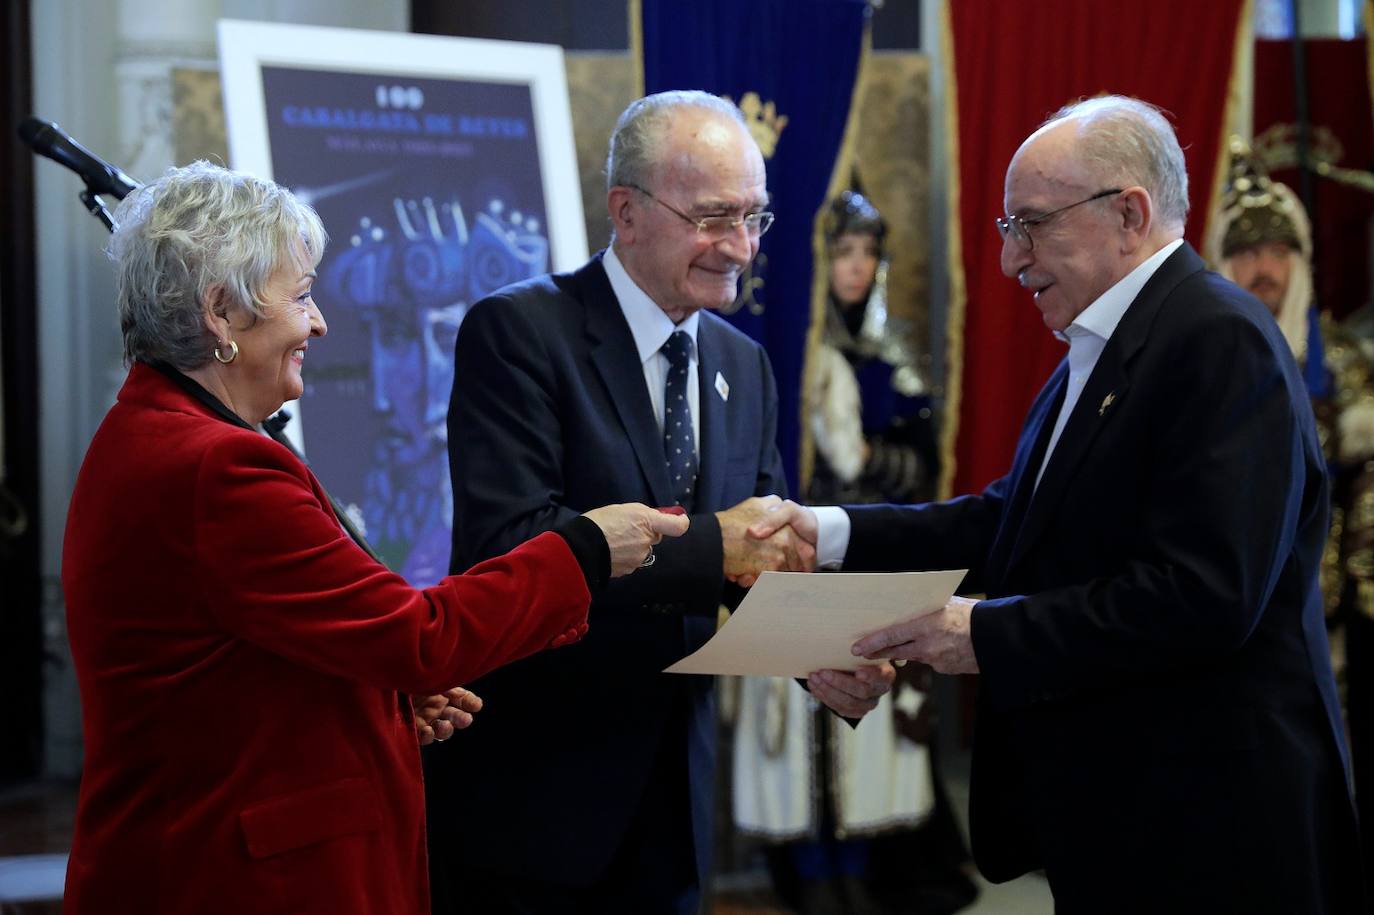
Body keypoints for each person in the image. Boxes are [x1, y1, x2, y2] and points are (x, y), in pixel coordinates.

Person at [755, 96, 1367, 913]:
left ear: (1129, 214)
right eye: (1009, 227)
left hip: (1216, 824)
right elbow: (1015, 520)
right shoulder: (1109, 340)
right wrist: (826, 532)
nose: (1011, 259)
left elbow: (1206, 597)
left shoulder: (1218, 338)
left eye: (1032, 225)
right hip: (1134, 811)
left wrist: (981, 633)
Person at [59, 161, 687, 915]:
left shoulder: (152, 432)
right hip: (232, 879)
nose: (320, 323)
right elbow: (418, 638)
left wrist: (369, 704)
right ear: (221, 312)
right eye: (301, 296)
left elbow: (229, 662)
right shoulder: (218, 470)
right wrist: (585, 550)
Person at [425, 90, 894, 913]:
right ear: (627, 212)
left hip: (677, 804)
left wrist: (826, 653)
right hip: (537, 799)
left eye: (754, 216)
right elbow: (514, 539)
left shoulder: (745, 365)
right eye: (713, 218)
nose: (741, 246)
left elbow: (758, 557)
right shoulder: (519, 332)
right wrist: (718, 544)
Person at [733, 190, 975, 915]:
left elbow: (923, 470)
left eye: (868, 252)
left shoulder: (892, 359)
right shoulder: (778, 353)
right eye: (843, 252)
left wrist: (868, 459)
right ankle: (810, 876)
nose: (857, 267)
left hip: (870, 565)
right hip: (789, 566)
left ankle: (861, 875)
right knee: (793, 727)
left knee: (867, 730)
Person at [1207, 137, 1374, 892]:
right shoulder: (1199, 358)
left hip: (1332, 606)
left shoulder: (1344, 364)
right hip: (1224, 601)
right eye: (1246, 253)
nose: (1263, 269)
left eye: (1278, 251)